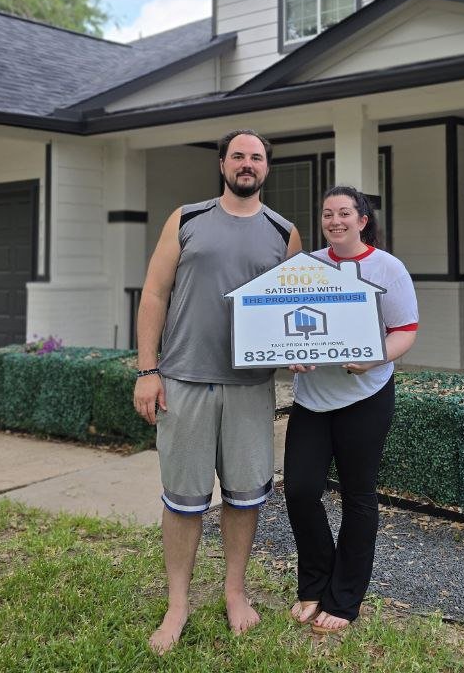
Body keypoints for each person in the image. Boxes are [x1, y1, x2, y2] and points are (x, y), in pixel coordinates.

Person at [132, 128, 302, 655]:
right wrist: (147, 369)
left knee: (245, 494)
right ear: (223, 164)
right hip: (184, 379)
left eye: (256, 157)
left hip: (251, 386)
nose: (246, 164)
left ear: (266, 168)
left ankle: (234, 592)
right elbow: (155, 292)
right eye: (238, 156)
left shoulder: (284, 232)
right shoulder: (186, 219)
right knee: (184, 499)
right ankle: (177, 603)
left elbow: (289, 312)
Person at [283, 185, 419, 634]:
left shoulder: (387, 268)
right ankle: (314, 583)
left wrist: (376, 355)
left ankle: (344, 598)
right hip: (311, 401)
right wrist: (289, 354)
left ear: (362, 220)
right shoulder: (307, 268)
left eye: (345, 213)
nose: (335, 221)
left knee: (358, 498)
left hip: (366, 398)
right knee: (301, 491)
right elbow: (285, 324)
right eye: (327, 214)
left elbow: (405, 330)